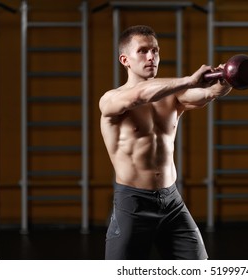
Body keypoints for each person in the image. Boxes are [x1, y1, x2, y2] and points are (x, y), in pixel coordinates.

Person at [99, 25, 232, 260]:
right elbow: (139, 95)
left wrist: (227, 77)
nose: (151, 57)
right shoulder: (111, 99)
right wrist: (189, 80)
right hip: (133, 204)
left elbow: (209, 94)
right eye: (142, 51)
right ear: (125, 59)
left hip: (171, 202)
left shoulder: (173, 95)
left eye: (155, 50)